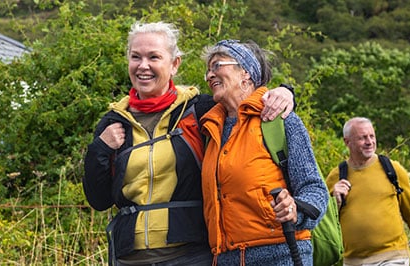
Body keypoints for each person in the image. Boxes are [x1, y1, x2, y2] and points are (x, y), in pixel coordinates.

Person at [82, 22, 295, 266]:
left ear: (174, 64)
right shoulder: (113, 122)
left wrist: (285, 92)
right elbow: (98, 200)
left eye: (154, 57)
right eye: (135, 57)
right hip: (128, 256)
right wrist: (100, 149)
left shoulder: (199, 109)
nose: (143, 66)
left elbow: (246, 102)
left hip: (191, 255)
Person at [199, 39, 327, 265]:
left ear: (245, 73)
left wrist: (295, 210)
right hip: (226, 258)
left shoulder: (278, 120)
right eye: (208, 70)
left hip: (281, 254)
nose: (209, 75)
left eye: (217, 66)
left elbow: (315, 189)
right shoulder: (210, 129)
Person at [325, 117, 410, 266]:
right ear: (347, 142)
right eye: (362, 138)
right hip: (353, 261)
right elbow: (323, 223)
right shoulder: (336, 177)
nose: (369, 142)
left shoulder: (392, 169)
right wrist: (333, 201)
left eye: (372, 136)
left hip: (393, 257)